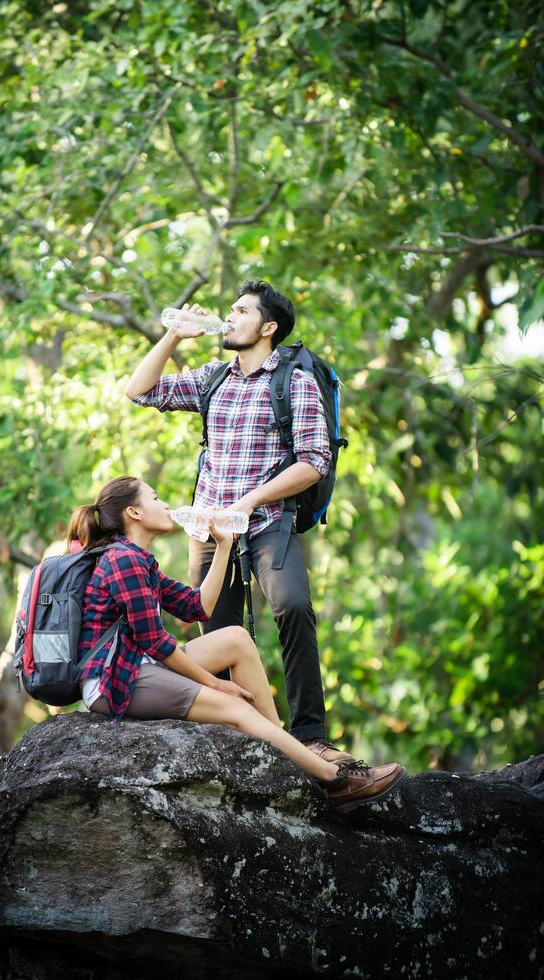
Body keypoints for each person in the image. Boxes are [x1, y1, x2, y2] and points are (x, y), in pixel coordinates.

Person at [125, 279, 361, 766]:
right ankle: (239, 738)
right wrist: (173, 335)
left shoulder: (293, 379)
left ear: (268, 327)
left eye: (241, 311)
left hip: (268, 522)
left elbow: (314, 460)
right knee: (216, 632)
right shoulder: (214, 377)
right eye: (228, 310)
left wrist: (249, 501)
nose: (229, 317)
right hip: (210, 535)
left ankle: (311, 735)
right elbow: (139, 390)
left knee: (293, 607)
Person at [66, 475, 406, 813]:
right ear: (134, 513)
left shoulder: (139, 559)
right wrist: (215, 684)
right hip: (115, 681)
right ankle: (336, 782)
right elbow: (155, 641)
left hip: (137, 665)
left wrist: (224, 545)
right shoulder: (123, 561)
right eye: (155, 498)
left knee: (236, 638)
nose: (165, 505)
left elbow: (198, 607)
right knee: (237, 707)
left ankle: (282, 750)